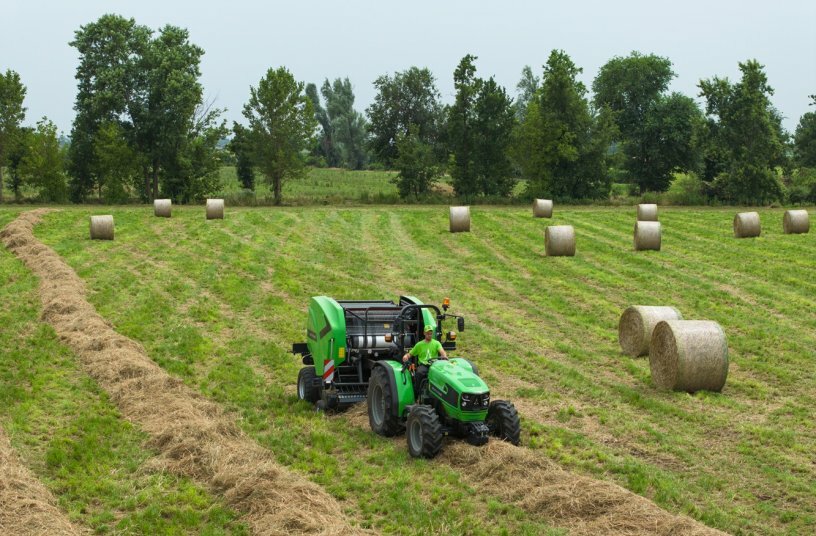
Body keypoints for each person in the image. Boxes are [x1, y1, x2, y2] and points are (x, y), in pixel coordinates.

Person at [403, 324, 447, 397]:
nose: (429, 335)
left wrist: (445, 357)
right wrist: (406, 356)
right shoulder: (419, 345)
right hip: (424, 365)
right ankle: (417, 394)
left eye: (430, 333)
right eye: (428, 333)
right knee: (419, 373)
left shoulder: (436, 343)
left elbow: (442, 352)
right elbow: (410, 354)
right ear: (424, 333)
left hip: (435, 365)